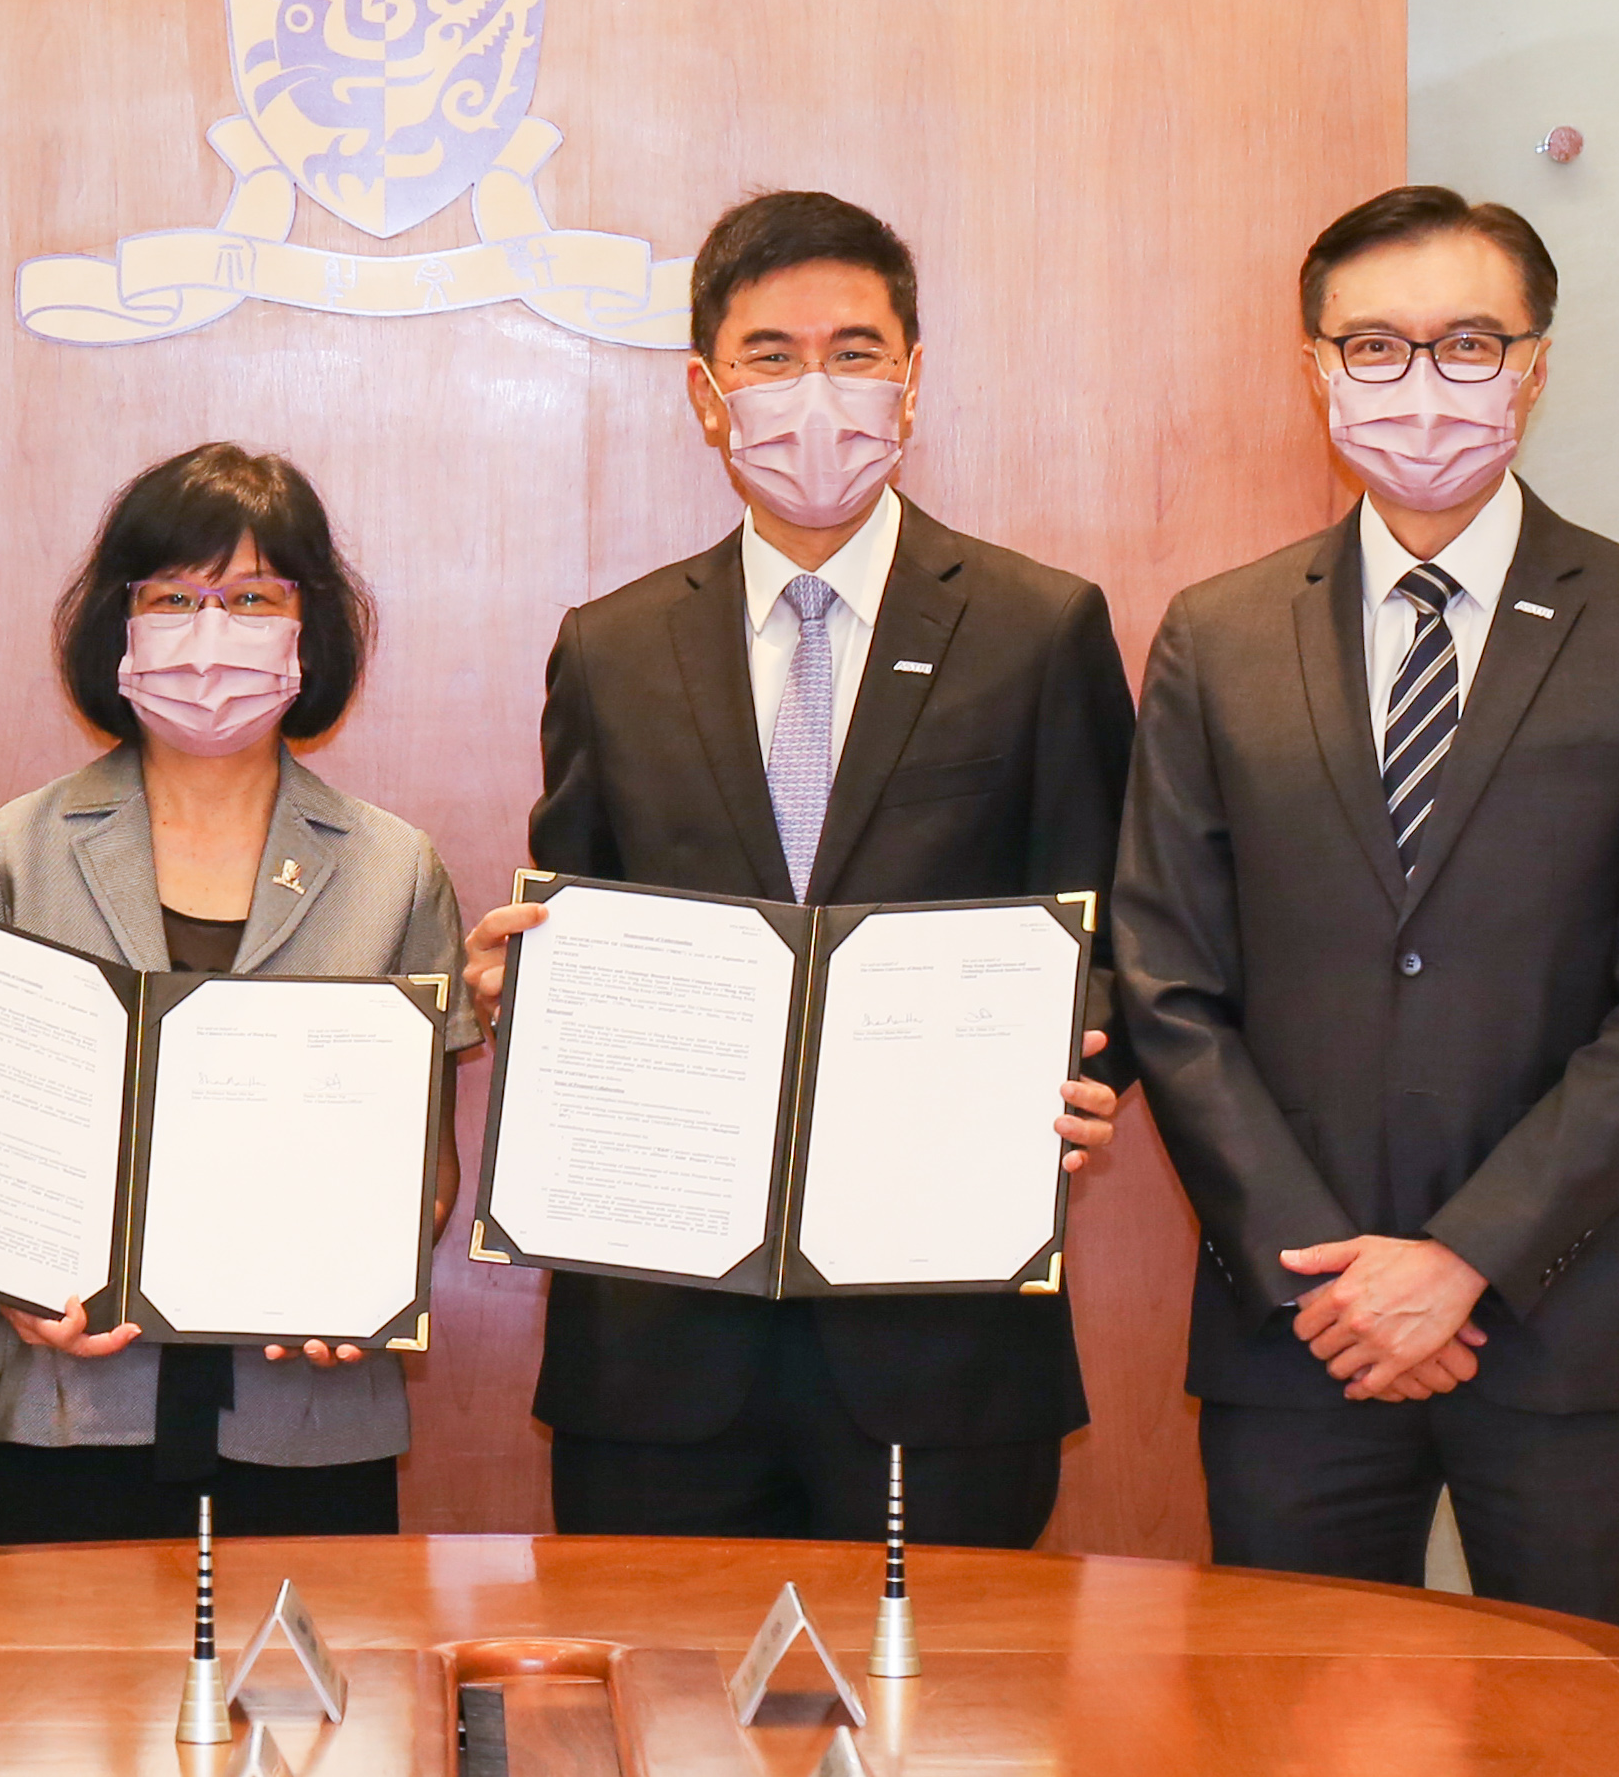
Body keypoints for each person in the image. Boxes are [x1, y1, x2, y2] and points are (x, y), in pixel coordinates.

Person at [1112, 187, 1619, 1640]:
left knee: (1590, 1738)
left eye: (1465, 342)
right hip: (1297, 1339)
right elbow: (1164, 979)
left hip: (1568, 1321)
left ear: (1531, 362)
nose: (1421, 384)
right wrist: (1324, 1273)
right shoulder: (1215, 636)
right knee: (1284, 1725)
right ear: (1313, 367)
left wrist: (1462, 1253)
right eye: (1375, 345)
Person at [462, 190, 1131, 1547]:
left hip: (939, 1341)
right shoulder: (612, 646)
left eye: (851, 346)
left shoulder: (1037, 628)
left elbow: (1111, 924)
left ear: (910, 375)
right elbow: (570, 919)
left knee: (943, 1745)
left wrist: (1089, 1068)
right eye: (768, 354)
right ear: (706, 395)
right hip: (657, 1349)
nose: (810, 390)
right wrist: (513, 991)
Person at [0, 443, 472, 1544]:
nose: (209, 630)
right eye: (174, 596)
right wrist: (2, 1281)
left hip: (308, 1415)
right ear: (117, 625)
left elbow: (425, 1164)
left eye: (251, 597)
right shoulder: (14, 849)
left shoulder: (394, 867)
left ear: (307, 627)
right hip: (60, 1411)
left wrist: (370, 1272)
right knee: (45, 1717)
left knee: (314, 1717)